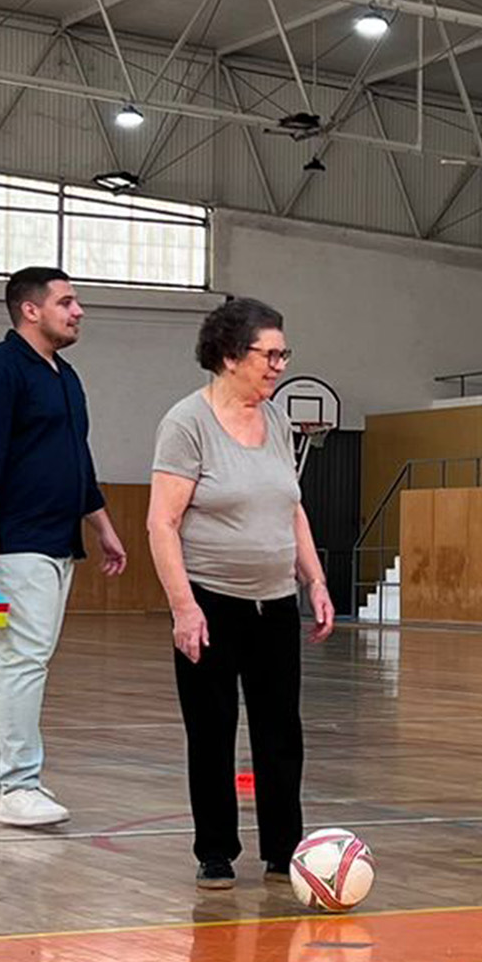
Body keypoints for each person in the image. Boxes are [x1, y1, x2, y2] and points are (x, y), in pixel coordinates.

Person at [149, 296, 334, 889]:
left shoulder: (276, 420)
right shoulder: (186, 423)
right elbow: (162, 523)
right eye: (270, 354)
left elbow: (292, 507)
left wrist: (316, 579)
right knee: (211, 730)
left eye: (284, 353)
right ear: (231, 355)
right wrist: (184, 607)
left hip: (275, 603)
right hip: (210, 602)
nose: (279, 365)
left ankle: (285, 849)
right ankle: (216, 851)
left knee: (281, 730)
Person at [0, 265, 129, 831]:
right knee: (22, 661)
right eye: (67, 302)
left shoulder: (65, 376)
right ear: (31, 309)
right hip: (12, 541)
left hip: (57, 540)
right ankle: (19, 784)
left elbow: (76, 456)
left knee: (7, 664)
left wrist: (101, 524)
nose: (78, 312)